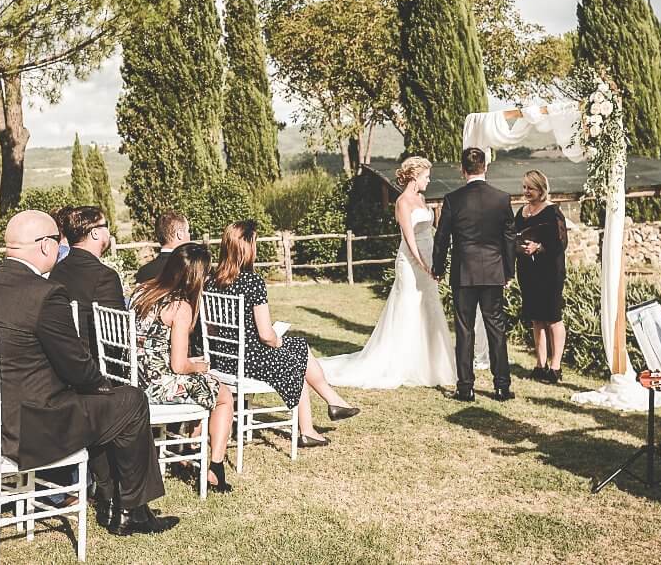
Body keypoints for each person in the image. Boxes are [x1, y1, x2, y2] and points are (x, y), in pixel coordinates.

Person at [0, 210, 176, 536]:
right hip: (30, 429)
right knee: (129, 401)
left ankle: (108, 499)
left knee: (104, 409)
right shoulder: (44, 293)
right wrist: (102, 385)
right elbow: (77, 366)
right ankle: (132, 510)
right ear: (46, 246)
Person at [209, 220, 359, 447]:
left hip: (224, 358)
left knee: (298, 345)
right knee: (294, 358)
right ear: (247, 247)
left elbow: (212, 329)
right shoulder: (252, 282)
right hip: (249, 359)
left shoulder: (212, 281)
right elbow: (266, 335)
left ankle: (332, 402)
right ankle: (309, 428)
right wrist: (278, 340)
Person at [319, 157, 454, 388]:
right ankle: (402, 362)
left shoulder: (422, 199)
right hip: (411, 262)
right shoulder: (403, 202)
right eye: (426, 176)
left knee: (429, 306)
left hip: (429, 256)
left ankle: (431, 363)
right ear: (414, 177)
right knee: (408, 306)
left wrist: (437, 258)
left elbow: (430, 230)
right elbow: (409, 238)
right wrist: (423, 264)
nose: (428, 180)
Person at [131, 243, 235, 492]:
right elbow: (179, 365)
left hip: (136, 380)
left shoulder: (141, 292)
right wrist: (198, 366)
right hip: (160, 386)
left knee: (205, 386)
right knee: (224, 396)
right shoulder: (180, 307)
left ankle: (188, 452)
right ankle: (215, 468)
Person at [432, 147, 515, 402]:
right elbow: (509, 238)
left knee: (465, 330)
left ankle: (465, 388)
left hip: (463, 272)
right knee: (496, 329)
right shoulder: (501, 198)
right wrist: (508, 271)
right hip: (493, 272)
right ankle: (501, 386)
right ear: (485, 168)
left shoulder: (452, 199)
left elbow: (442, 237)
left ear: (462, 170)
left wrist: (438, 267)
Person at [514, 169, 568, 384]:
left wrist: (539, 247)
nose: (526, 191)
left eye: (531, 188)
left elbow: (561, 243)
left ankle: (555, 367)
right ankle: (540, 364)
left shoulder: (552, 212)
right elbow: (513, 237)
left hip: (550, 272)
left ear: (541, 189)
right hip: (528, 271)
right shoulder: (521, 212)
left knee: (553, 317)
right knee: (536, 318)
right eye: (524, 187)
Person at [48, 206, 125, 345]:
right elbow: (117, 335)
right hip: (94, 359)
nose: (109, 232)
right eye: (106, 225)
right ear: (95, 233)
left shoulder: (57, 270)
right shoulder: (105, 277)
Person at [135, 211, 191, 285]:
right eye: (188, 231)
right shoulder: (189, 268)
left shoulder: (144, 272)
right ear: (180, 234)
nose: (190, 235)